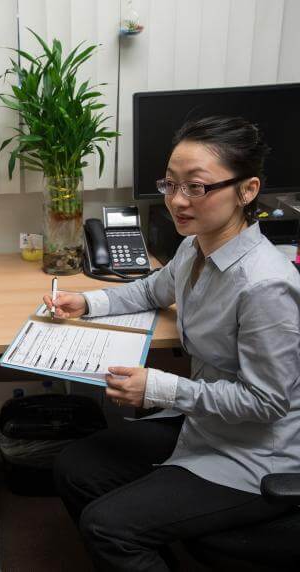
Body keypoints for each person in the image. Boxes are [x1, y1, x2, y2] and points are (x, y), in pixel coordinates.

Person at [44, 116, 300, 571]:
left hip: (256, 453)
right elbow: (151, 289)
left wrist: (160, 389)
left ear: (247, 190)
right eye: (170, 184)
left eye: (197, 187)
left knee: (108, 526)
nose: (177, 201)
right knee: (76, 465)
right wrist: (84, 301)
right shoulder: (196, 246)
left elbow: (267, 401)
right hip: (206, 424)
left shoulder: (264, 286)